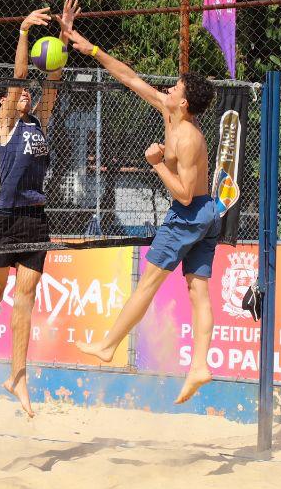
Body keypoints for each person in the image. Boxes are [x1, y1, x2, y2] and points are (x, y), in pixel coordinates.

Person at [60, 24, 219, 404]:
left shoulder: (187, 137)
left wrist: (156, 163)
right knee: (198, 290)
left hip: (189, 213)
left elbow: (183, 194)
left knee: (147, 285)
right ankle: (199, 366)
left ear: (184, 103)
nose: (169, 89)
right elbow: (129, 77)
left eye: (175, 88)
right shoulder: (170, 112)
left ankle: (108, 346)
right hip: (205, 212)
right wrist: (91, 48)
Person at [0, 1, 73, 417]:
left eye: (29, 93)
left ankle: (18, 376)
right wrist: (24, 32)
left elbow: (53, 81)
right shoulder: (6, 123)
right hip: (6, 219)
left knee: (25, 299)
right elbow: (18, 78)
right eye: (19, 94)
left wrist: (63, 37)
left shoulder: (38, 122)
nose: (27, 94)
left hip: (36, 218)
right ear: (4, 104)